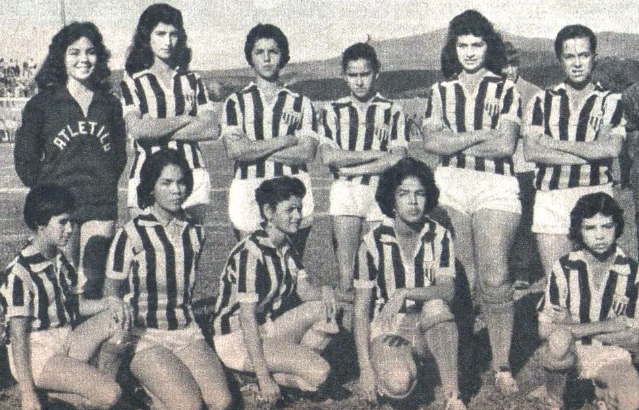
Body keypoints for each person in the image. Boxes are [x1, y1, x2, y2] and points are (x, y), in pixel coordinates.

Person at [422, 10, 521, 395]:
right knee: (462, 279)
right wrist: (482, 132)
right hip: (450, 184)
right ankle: (461, 359)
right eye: (462, 45)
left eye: (476, 44)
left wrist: (458, 136)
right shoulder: (440, 91)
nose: (469, 52)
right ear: (453, 49)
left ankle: (502, 364)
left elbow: (506, 144)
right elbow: (433, 143)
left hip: (495, 183)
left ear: (488, 46)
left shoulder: (506, 89)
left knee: (495, 277)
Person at [103, 150, 232, 410]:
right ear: (151, 187)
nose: (177, 190)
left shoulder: (195, 231)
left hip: (186, 332)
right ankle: (139, 386)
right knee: (190, 405)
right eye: (167, 183)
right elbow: (112, 292)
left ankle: (157, 393)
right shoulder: (131, 233)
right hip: (144, 335)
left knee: (222, 402)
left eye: (182, 182)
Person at [13, 22, 127, 301]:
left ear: (99, 57)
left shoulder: (108, 103)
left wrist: (102, 183)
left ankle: (87, 344)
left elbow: (119, 155)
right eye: (74, 52)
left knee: (91, 284)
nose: (83, 59)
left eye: (90, 52)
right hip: (59, 207)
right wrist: (46, 193)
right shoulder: (42, 104)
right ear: (61, 58)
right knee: (62, 283)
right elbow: (25, 158)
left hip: (99, 205)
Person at [211, 176, 342, 406]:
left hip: (266, 329)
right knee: (319, 374)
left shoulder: (285, 246)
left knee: (326, 310)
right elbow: (247, 318)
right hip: (237, 339)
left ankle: (280, 368)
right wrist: (264, 377)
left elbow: (306, 292)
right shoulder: (250, 253)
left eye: (299, 208)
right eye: (290, 209)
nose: (298, 216)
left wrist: (327, 291)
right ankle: (255, 376)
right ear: (269, 212)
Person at [0, 185, 130, 410]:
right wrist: (27, 393)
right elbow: (18, 337)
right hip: (37, 352)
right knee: (110, 394)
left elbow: (76, 307)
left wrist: (111, 302)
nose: (70, 229)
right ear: (41, 226)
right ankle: (54, 396)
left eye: (71, 222)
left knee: (119, 316)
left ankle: (75, 390)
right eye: (62, 222)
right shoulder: (20, 272)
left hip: (67, 339)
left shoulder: (61, 261)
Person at [353, 158, 466, 409]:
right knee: (398, 382)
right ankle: (405, 367)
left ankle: (453, 396)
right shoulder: (372, 242)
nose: (413, 202)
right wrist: (365, 368)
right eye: (404, 194)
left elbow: (448, 290)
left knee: (437, 306)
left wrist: (405, 293)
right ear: (392, 199)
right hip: (388, 328)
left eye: (419, 194)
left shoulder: (439, 235)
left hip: (424, 325)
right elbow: (360, 312)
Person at [523, 25, 625, 286]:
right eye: (570, 56)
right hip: (552, 198)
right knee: (557, 284)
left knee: (595, 285)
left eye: (584, 55)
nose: (577, 63)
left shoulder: (610, 100)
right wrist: (590, 152)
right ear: (560, 60)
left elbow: (611, 149)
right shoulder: (541, 101)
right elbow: (532, 150)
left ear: (594, 58)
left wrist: (553, 144)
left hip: (596, 196)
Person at [533, 192, 639, 410]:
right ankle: (554, 399)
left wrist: (572, 324)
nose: (599, 236)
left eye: (607, 227)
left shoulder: (632, 271)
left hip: (612, 357)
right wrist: (609, 326)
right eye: (590, 228)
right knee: (559, 339)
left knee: (633, 401)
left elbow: (635, 339)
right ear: (579, 231)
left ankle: (600, 395)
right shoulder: (565, 267)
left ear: (617, 227)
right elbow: (544, 329)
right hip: (572, 354)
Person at [319, 42, 407, 301]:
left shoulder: (392, 110)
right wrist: (376, 153)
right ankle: (349, 334)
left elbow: (398, 158)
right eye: (353, 75)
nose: (359, 82)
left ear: (376, 73)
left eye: (364, 74)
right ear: (344, 75)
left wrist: (352, 169)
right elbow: (328, 156)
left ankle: (377, 329)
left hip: (380, 191)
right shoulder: (333, 110)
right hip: (345, 193)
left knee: (378, 266)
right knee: (346, 272)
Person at [221, 24, 318, 257]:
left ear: (283, 55)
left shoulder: (300, 102)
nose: (266, 58)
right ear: (250, 57)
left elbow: (307, 153)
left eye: (273, 51)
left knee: (291, 267)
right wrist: (286, 139)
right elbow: (235, 151)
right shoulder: (236, 102)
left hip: (292, 186)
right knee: (252, 263)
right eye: (259, 52)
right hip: (248, 187)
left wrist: (252, 147)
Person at [121, 3, 218, 225]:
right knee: (147, 252)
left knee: (188, 253)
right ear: (147, 37)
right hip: (146, 174)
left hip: (192, 174)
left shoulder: (193, 80)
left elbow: (211, 128)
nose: (168, 41)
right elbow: (137, 130)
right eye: (160, 34)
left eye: (173, 34)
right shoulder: (133, 81)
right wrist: (186, 119)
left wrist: (155, 127)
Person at [502, 41, 543, 292]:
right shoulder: (492, 92)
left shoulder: (533, 93)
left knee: (526, 219)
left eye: (512, 64)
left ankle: (522, 271)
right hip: (499, 168)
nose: (508, 71)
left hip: (525, 166)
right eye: (503, 65)